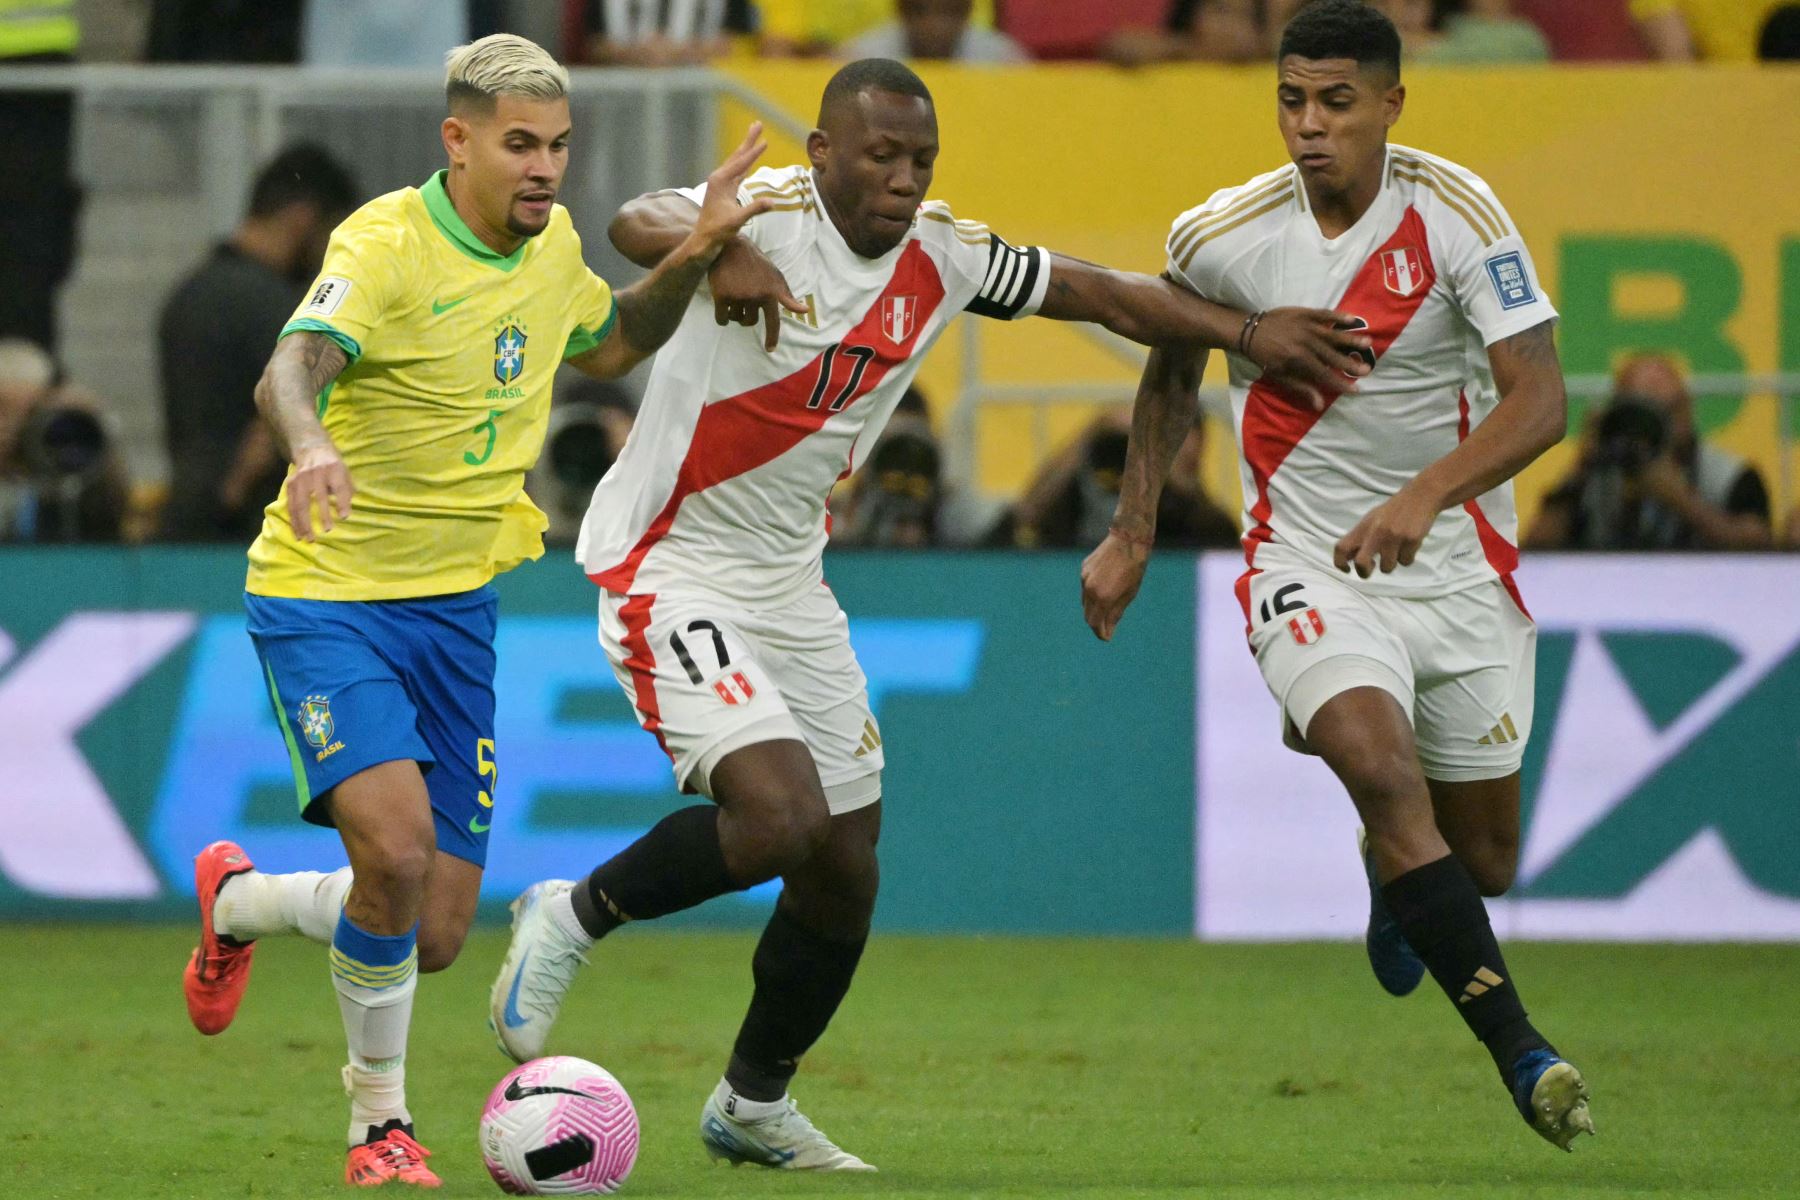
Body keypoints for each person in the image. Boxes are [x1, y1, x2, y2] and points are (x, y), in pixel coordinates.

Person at [485, 54, 1373, 1173]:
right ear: (821, 155)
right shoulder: (771, 212)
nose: (904, 179)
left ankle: (752, 1103)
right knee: (777, 819)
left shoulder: (945, 255)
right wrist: (724, 243)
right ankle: (574, 913)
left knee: (845, 867)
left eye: (921, 160)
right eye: (881, 155)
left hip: (791, 582)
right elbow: (633, 214)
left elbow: (1103, 293)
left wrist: (1246, 337)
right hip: (669, 566)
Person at [176, 33, 782, 1188]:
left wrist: (696, 255)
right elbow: (288, 367)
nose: (544, 167)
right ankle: (380, 1127)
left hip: (457, 612)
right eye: (519, 144)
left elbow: (609, 346)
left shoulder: (550, 245)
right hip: (329, 593)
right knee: (396, 854)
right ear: (457, 141)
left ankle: (240, 900)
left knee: (436, 929)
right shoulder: (387, 241)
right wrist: (307, 447)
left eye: (558, 145)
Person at [1080, 0, 1595, 1151]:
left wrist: (1425, 496)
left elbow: (1543, 400)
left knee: (1488, 862)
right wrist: (1132, 532)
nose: (1309, 128)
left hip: (1455, 563)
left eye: (1337, 103)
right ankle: (1526, 1054)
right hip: (1306, 556)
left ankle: (1388, 867)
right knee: (1373, 756)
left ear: (1392, 106)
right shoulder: (1223, 235)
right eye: (1292, 100)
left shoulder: (1458, 214)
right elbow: (1168, 372)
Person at [158, 145, 359, 542]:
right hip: (249, 522)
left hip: (186, 513)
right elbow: (278, 408)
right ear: (303, 219)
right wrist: (234, 487)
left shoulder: (187, 294)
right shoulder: (280, 306)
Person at [1523, 354, 1772, 551]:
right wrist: (1581, 468)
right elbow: (1537, 550)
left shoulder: (1731, 476)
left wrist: (1681, 499)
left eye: (1668, 410)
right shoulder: (1596, 474)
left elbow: (1761, 551)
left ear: (1686, 408)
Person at [1006, 411, 1239, 548]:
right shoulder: (1083, 494)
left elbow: (1211, 528)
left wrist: (1166, 472)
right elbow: (1028, 511)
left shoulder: (1204, 523)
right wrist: (1098, 427)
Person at [0, 337, 128, 542]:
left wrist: (91, 428)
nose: (16, 426)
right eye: (3, 409)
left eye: (30, 413)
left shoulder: (63, 485)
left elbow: (112, 511)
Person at [839, 0, 1029, 62]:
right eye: (921, 12)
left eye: (949, 13)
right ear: (901, 11)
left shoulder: (1004, 59)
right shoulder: (859, 58)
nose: (935, 27)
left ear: (968, 12)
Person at [579, 0, 756, 66]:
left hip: (701, 104)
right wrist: (632, 53)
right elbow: (592, 43)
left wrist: (683, 52)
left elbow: (741, 42)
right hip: (624, 102)